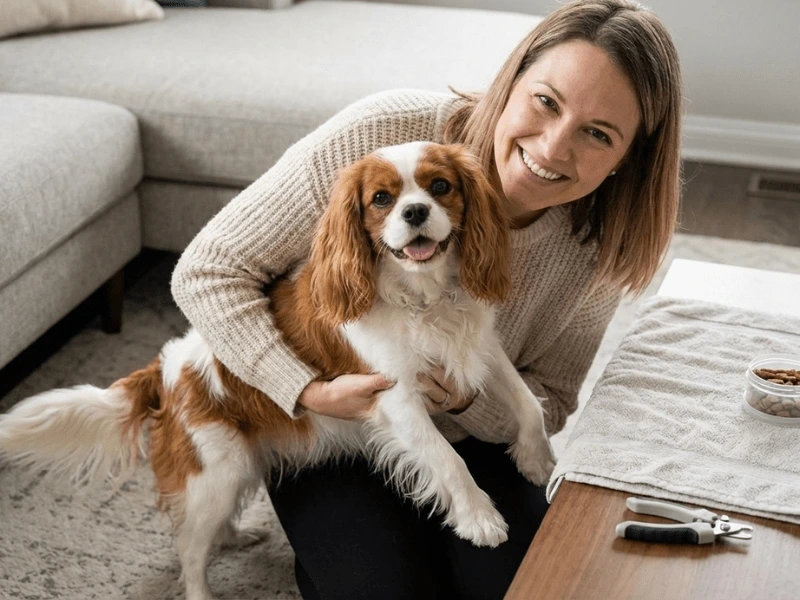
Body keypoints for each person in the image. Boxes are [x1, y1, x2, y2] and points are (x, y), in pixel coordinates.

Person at [171, 0, 683, 597]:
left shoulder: (604, 242)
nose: (552, 147)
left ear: (629, 157)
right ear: (510, 82)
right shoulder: (379, 136)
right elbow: (206, 272)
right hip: (327, 431)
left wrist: (466, 400)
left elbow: (555, 398)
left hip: (475, 438)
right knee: (386, 588)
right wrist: (304, 389)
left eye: (598, 133)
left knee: (531, 585)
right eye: (546, 101)